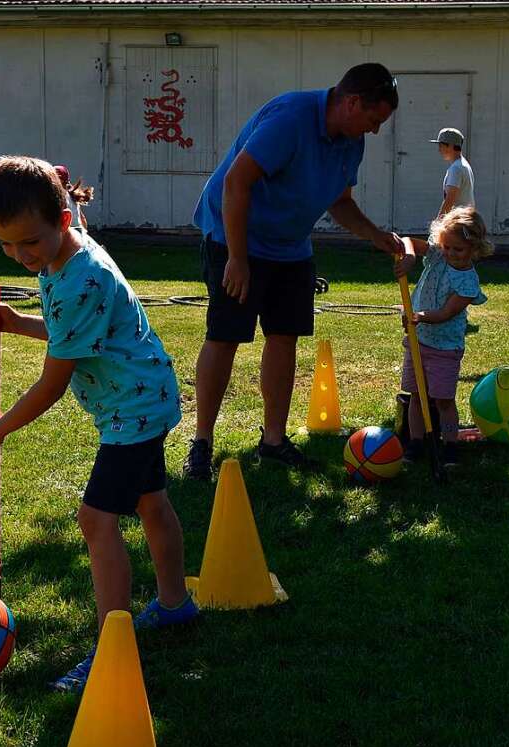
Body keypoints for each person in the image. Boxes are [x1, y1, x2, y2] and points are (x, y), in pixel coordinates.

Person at [0, 156, 198, 694]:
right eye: (6, 245)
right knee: (151, 502)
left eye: (29, 242)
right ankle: (174, 605)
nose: (20, 256)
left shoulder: (82, 279)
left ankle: (111, 650)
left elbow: (53, 382)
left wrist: (0, 427)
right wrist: (15, 321)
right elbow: (66, 333)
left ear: (63, 220)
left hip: (133, 411)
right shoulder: (61, 260)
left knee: (96, 521)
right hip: (141, 398)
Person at [185, 62, 403, 481]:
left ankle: (273, 440)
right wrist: (237, 257)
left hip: (290, 248)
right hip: (235, 237)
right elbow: (236, 183)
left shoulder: (351, 142)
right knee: (225, 335)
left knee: (284, 337)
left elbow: (339, 201)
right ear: (352, 102)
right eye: (374, 120)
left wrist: (376, 236)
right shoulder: (291, 118)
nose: (375, 131)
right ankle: (202, 443)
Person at [393, 207, 491, 468]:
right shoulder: (438, 256)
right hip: (418, 340)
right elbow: (406, 242)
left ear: (474, 249)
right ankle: (415, 443)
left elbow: (447, 312)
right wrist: (411, 256)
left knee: (443, 400)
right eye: (446, 246)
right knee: (415, 394)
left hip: (445, 348)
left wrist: (419, 316)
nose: (450, 253)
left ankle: (450, 445)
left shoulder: (468, 282)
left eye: (458, 249)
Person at [431, 127, 475, 218]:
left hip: (458, 223)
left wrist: (438, 224)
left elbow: (449, 200)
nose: (439, 150)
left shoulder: (456, 169)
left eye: (441, 145)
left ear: (450, 146)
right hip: (465, 220)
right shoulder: (464, 165)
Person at [53, 164, 91, 230]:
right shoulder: (71, 195)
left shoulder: (59, 198)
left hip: (70, 233)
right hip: (79, 232)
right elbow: (83, 219)